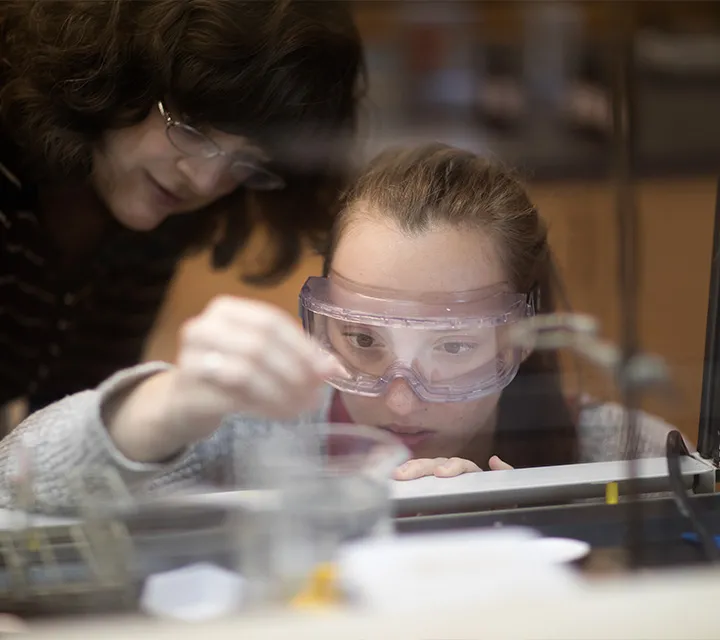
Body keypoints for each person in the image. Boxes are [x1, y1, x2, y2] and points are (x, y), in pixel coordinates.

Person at [0, 143, 676, 513]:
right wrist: (166, 407)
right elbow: (13, 481)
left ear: (520, 339)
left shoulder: (622, 456)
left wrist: (524, 523)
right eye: (362, 339)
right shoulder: (258, 433)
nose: (400, 399)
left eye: (452, 346)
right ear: (320, 320)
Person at [0, 0, 364, 421]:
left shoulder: (149, 215)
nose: (205, 182)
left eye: (248, 162)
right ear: (112, 70)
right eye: (191, 128)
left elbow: (72, 421)